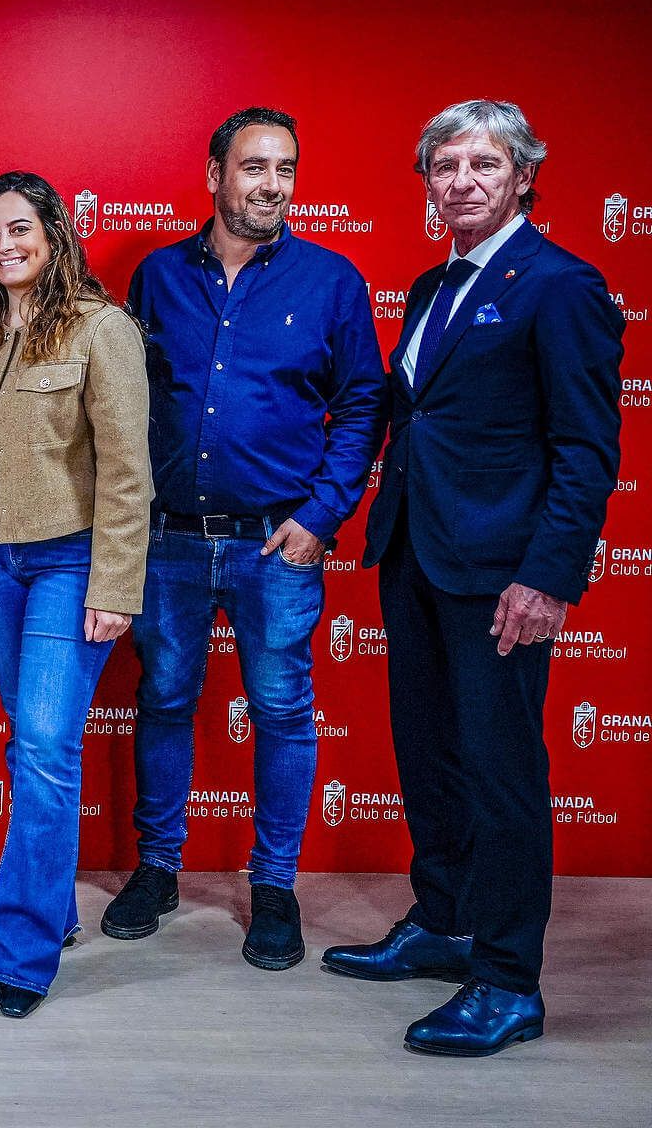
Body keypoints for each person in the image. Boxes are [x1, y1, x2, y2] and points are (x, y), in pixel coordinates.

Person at [325, 100, 623, 1057]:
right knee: (432, 756)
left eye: (482, 164)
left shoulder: (561, 286)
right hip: (415, 554)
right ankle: (445, 922)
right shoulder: (428, 287)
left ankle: (506, 980)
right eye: (445, 166)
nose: (461, 181)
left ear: (523, 175)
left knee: (501, 775)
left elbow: (585, 449)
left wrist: (547, 579)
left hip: (502, 576)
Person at [106, 109, 385, 969]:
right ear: (215, 174)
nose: (272, 184)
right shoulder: (156, 277)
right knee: (164, 703)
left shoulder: (331, 282)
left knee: (281, 712)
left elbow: (364, 405)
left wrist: (323, 515)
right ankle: (158, 869)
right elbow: (128, 402)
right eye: (255, 167)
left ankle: (273, 886)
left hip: (277, 546)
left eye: (286, 169)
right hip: (170, 545)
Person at [0, 171, 150, 1019]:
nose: (5, 247)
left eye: (20, 229)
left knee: (41, 750)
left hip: (71, 566)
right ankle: (54, 908)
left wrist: (115, 584)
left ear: (54, 233)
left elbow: (129, 471)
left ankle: (22, 950)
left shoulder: (102, 330)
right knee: (30, 746)